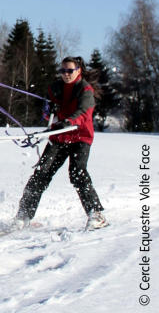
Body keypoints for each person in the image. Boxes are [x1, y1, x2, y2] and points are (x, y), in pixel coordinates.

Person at [13, 56, 108, 231]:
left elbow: (83, 112)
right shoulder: (55, 88)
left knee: (77, 172)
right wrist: (47, 112)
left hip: (80, 137)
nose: (66, 74)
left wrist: (68, 122)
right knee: (41, 173)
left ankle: (96, 214)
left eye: (70, 71)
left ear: (78, 70)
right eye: (63, 71)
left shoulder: (85, 90)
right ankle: (23, 215)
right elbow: (47, 111)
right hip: (59, 138)